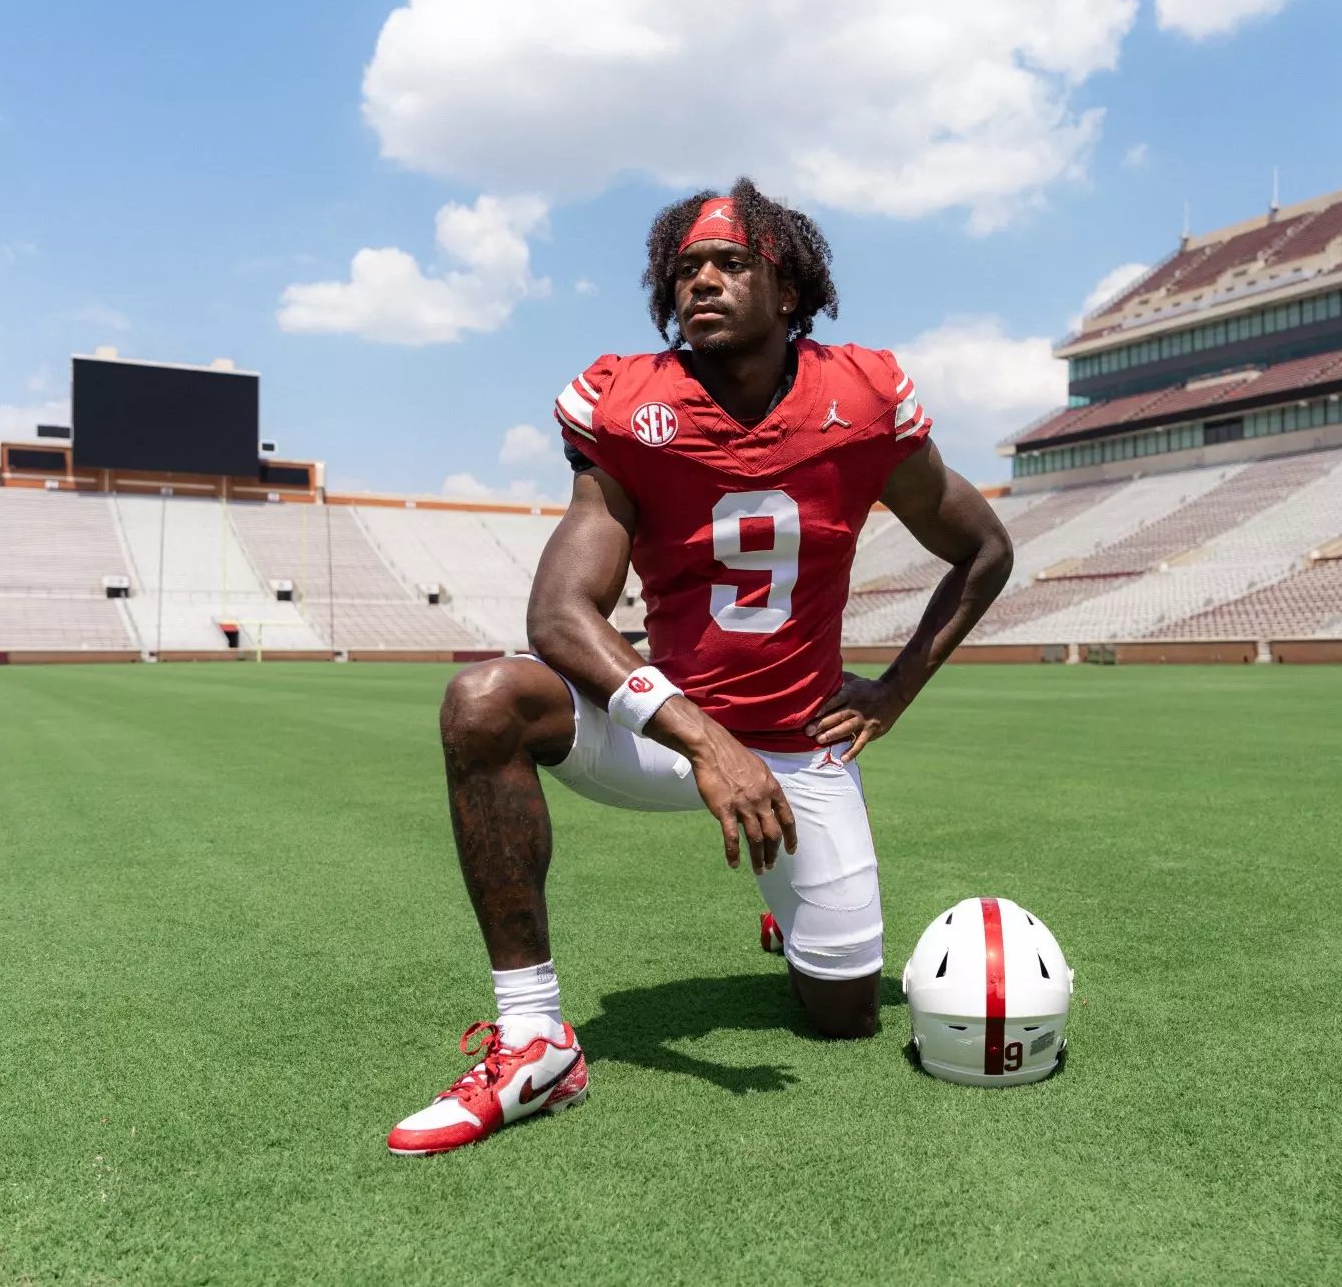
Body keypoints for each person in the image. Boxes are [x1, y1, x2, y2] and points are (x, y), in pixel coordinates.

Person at [387, 178, 1014, 1156]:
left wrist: (891, 692)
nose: (701, 281)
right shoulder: (632, 406)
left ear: (790, 287)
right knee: (484, 700)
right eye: (684, 268)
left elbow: (984, 552)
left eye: (729, 262)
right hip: (667, 734)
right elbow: (556, 614)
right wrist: (707, 742)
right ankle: (534, 1040)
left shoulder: (859, 398)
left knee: (841, 1014)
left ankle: (793, 913)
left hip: (798, 751)